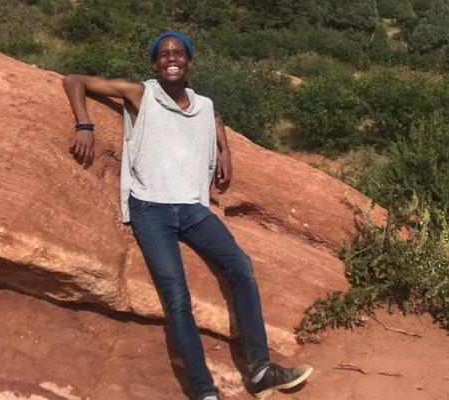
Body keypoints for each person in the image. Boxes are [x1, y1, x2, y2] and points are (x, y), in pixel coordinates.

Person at [63, 30, 312, 400]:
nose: (171, 58)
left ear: (190, 62)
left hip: (194, 208)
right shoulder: (141, 94)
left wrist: (225, 150)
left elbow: (215, 117)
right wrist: (85, 125)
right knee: (177, 297)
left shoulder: (203, 104)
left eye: (179, 53)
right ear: (154, 63)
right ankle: (204, 391)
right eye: (163, 54)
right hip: (151, 207)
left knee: (241, 268)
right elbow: (74, 81)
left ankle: (260, 371)